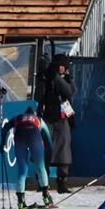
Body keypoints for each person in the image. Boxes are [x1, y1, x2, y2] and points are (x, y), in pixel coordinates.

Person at [35, 53, 77, 193]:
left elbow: (69, 92)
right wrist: (43, 77)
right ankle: (42, 182)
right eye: (58, 66)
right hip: (47, 117)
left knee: (63, 152)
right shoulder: (46, 78)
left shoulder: (67, 80)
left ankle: (62, 183)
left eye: (63, 66)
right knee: (44, 150)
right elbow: (38, 96)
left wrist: (56, 78)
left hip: (62, 117)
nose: (61, 69)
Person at [0, 106, 54, 209]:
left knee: (22, 171)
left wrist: (2, 144)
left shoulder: (17, 117)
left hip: (20, 137)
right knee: (41, 168)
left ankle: (21, 202)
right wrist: (47, 159)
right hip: (34, 136)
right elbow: (48, 142)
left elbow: (5, 128)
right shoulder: (39, 120)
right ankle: (46, 197)